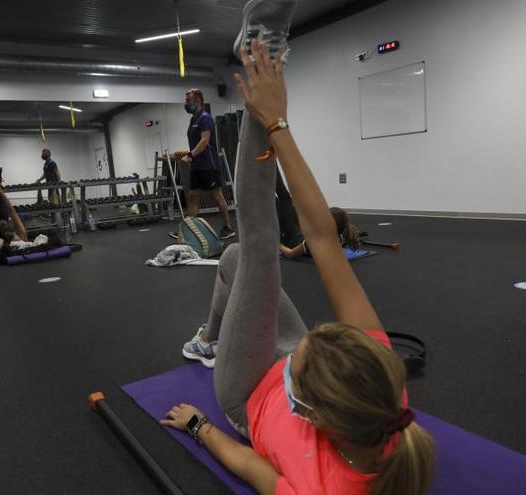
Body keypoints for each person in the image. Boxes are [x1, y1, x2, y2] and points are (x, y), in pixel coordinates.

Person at [164, 41, 434, 495]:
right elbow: (324, 237)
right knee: (236, 259)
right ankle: (207, 338)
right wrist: (277, 121)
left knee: (256, 246)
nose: (293, 358)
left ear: (308, 414)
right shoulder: (379, 380)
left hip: (247, 393)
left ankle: (211, 342)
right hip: (298, 376)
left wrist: (200, 426)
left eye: (296, 370)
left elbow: (249, 465)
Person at [180, 88, 236, 239]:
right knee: (193, 197)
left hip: (208, 165)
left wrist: (190, 155)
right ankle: (187, 231)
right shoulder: (193, 120)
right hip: (197, 166)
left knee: (216, 195)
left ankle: (228, 227)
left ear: (198, 100)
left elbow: (204, 141)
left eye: (188, 100)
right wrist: (185, 154)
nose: (186, 104)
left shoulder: (205, 118)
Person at [0, 179, 51, 262]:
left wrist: (0, 241)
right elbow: (11, 209)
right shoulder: (21, 235)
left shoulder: (2, 246)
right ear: (10, 228)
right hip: (33, 251)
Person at [279, 206, 362, 259]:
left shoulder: (314, 243)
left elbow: (289, 254)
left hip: (292, 239)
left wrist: (277, 244)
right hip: (302, 235)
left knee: (289, 211)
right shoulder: (341, 236)